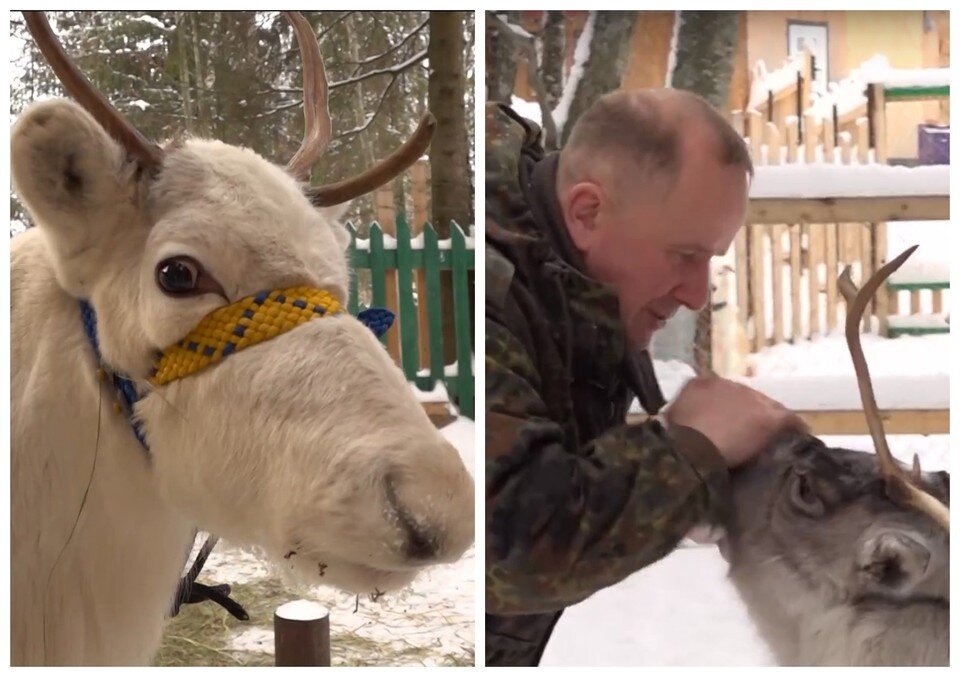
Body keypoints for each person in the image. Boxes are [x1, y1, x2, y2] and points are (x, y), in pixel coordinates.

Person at [485, 88, 806, 667]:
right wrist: (688, 452)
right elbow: (504, 547)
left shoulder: (566, 274)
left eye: (712, 260)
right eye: (684, 255)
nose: (697, 295)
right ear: (587, 212)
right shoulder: (484, 283)